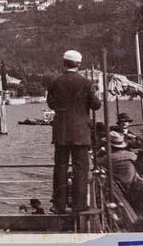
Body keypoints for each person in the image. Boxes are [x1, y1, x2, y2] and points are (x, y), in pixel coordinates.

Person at [46, 50, 101, 214]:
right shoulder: (86, 82)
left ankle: (59, 205)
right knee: (80, 168)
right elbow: (96, 105)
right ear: (78, 64)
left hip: (61, 131)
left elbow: (51, 104)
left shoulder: (55, 81)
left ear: (64, 62)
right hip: (80, 132)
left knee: (60, 167)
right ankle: (79, 205)